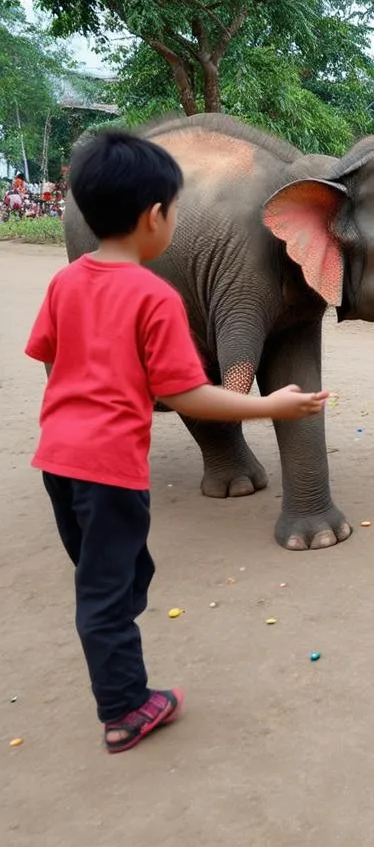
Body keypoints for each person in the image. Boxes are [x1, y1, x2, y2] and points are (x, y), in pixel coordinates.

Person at [24, 131, 330, 753]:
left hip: (57, 460)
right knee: (109, 598)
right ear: (155, 217)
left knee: (114, 573)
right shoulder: (154, 296)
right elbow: (190, 394)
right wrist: (268, 403)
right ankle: (126, 708)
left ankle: (110, 621)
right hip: (109, 469)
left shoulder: (64, 285)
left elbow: (47, 356)